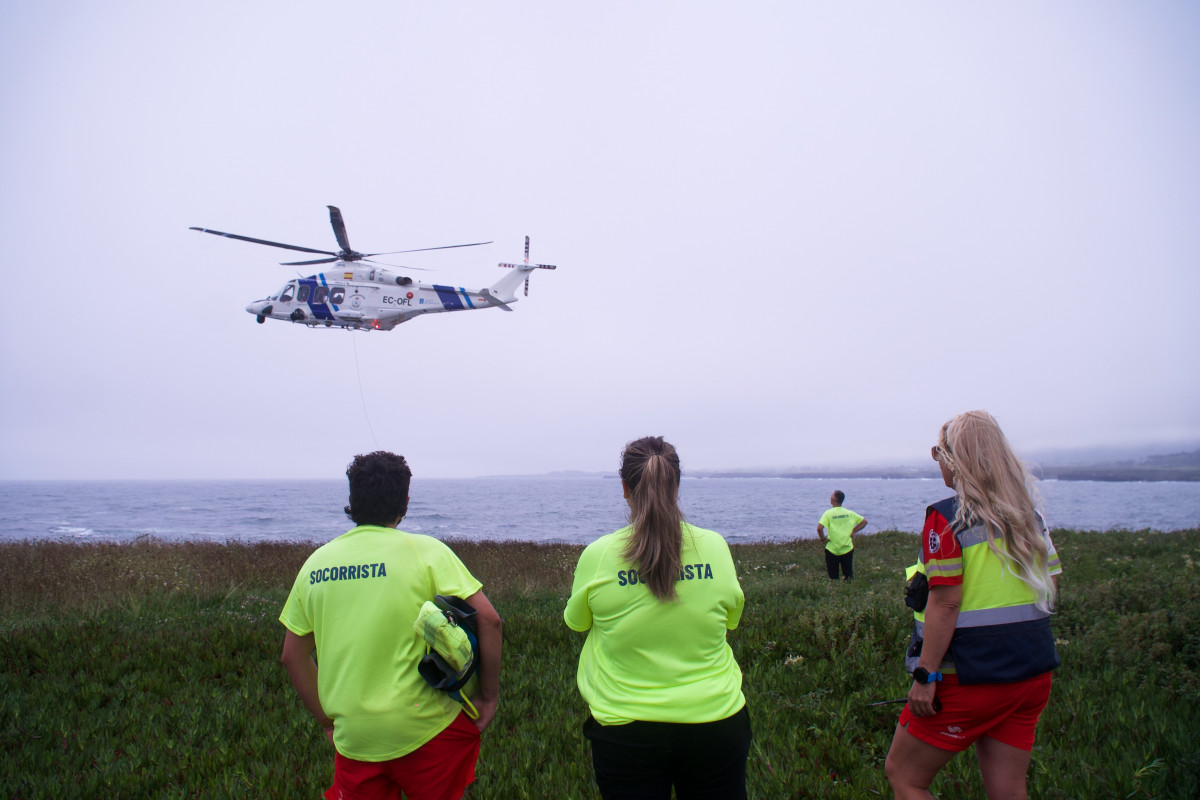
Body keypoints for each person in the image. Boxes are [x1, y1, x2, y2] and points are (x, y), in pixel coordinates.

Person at [279, 451, 502, 800]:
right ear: (406, 502)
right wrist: (488, 697)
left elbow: (293, 656)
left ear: (352, 500)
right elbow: (490, 621)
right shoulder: (427, 552)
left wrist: (327, 723)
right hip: (428, 729)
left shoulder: (315, 565)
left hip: (355, 738)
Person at [885, 412, 1062, 800]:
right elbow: (1051, 586)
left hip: (970, 676)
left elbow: (945, 603)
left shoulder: (946, 519)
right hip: (1032, 672)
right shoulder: (1030, 517)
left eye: (939, 452)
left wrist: (926, 677)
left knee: (904, 776)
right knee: (1009, 790)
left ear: (956, 458)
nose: (937, 461)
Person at [564, 436, 752, 800]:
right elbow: (731, 620)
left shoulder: (600, 555)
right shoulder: (714, 546)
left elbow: (578, 623)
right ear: (676, 485)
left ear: (624, 489)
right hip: (717, 720)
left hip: (626, 729)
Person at [816, 490, 867, 580]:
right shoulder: (849, 513)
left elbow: (819, 528)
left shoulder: (828, 513)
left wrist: (823, 539)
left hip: (832, 549)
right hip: (847, 548)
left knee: (833, 578)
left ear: (832, 499)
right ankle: (849, 592)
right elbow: (863, 522)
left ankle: (835, 591)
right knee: (848, 576)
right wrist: (853, 531)